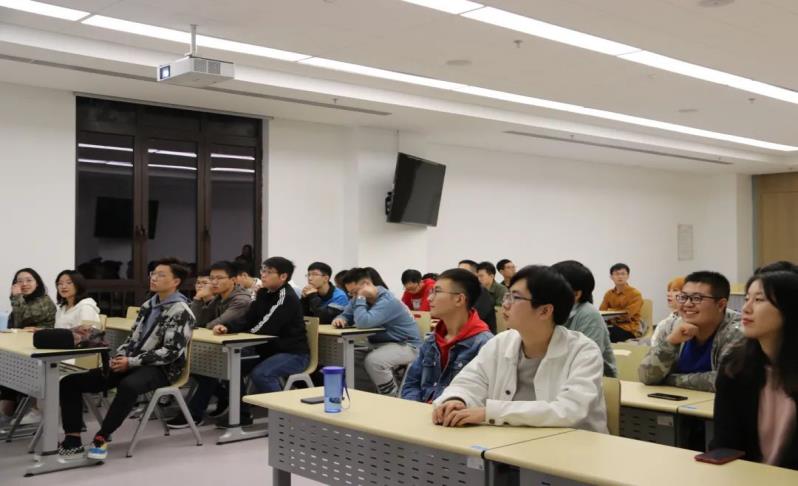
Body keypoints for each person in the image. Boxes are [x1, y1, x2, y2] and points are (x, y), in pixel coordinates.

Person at [432, 265, 607, 432]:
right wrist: (457, 399)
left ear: (545, 311)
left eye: (515, 298)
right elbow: (469, 381)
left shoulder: (583, 351)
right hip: (508, 442)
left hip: (571, 445)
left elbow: (568, 410)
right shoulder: (500, 343)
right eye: (507, 296)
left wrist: (489, 413)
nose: (505, 304)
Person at [57, 257, 195, 460]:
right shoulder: (149, 305)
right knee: (70, 382)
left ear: (176, 281)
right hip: (133, 362)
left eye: (161, 275)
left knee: (128, 386)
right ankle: (72, 439)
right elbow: (133, 338)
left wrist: (130, 362)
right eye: (153, 274)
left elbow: (170, 352)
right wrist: (120, 357)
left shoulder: (181, 310)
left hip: (163, 369)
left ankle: (102, 437)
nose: (153, 278)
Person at [712, 271, 798, 469]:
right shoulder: (734, 368)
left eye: (759, 300)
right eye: (746, 299)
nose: (746, 308)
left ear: (790, 309)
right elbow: (724, 445)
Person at [212, 257, 309, 426]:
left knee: (262, 374)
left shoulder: (286, 297)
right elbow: (248, 319)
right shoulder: (263, 293)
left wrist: (244, 335)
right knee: (231, 367)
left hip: (293, 354)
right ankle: (241, 415)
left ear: (283, 276)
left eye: (269, 272)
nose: (263, 275)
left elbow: (266, 327)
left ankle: (285, 420)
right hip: (267, 352)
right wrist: (227, 327)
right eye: (262, 271)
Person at [168, 261, 251, 428]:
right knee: (197, 367)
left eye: (219, 278)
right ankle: (218, 400)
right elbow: (195, 321)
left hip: (246, 348)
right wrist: (198, 298)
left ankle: (236, 413)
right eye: (212, 278)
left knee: (212, 367)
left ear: (233, 280)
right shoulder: (220, 297)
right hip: (223, 347)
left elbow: (214, 324)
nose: (214, 282)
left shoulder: (241, 300)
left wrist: (206, 323)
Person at [639, 271, 744, 392]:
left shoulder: (739, 331)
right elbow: (646, 376)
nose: (687, 304)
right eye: (683, 297)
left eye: (697, 298)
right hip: (676, 400)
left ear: (720, 305)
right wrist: (671, 341)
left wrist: (670, 380)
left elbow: (727, 380)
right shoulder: (671, 326)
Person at [401, 269, 492, 402]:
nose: (429, 298)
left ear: (459, 299)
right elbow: (411, 383)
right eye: (431, 292)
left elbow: (483, 398)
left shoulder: (485, 345)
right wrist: (414, 406)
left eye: (437, 292)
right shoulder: (432, 339)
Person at [332, 268, 421, 396]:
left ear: (366, 284)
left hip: (407, 345)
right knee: (350, 355)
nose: (353, 296)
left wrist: (360, 297)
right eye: (351, 293)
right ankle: (365, 394)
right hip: (381, 344)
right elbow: (346, 314)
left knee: (374, 361)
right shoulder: (358, 298)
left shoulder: (388, 301)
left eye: (355, 292)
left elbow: (363, 323)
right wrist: (340, 319)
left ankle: (392, 397)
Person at [0, 268, 57, 424]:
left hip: (44, 351)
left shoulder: (44, 301)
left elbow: (22, 318)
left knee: (13, 366)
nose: (24, 284)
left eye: (29, 280)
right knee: (5, 363)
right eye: (19, 281)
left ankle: (30, 410)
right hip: (27, 348)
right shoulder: (24, 301)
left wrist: (16, 297)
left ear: (37, 283)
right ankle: (6, 410)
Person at [551, 260, 617, 377]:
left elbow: (587, 361)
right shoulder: (551, 311)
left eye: (553, 287)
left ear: (576, 294)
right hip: (558, 376)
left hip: (594, 380)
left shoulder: (589, 315)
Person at [599, 263, 644, 342]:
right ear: (611, 277)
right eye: (617, 274)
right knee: (595, 330)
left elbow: (626, 315)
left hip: (629, 328)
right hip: (611, 325)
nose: (620, 276)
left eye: (623, 274)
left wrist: (611, 312)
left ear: (628, 276)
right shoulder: (609, 294)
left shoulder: (635, 294)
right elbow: (602, 311)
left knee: (606, 334)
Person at [458, 260, 497, 333]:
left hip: (481, 335)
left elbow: (472, 318)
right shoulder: (463, 291)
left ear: (475, 274)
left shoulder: (480, 292)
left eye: (463, 271)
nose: (458, 275)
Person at [650, 277, 685, 345]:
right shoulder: (670, 318)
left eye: (675, 290)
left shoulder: (684, 320)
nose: (668, 294)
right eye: (669, 290)